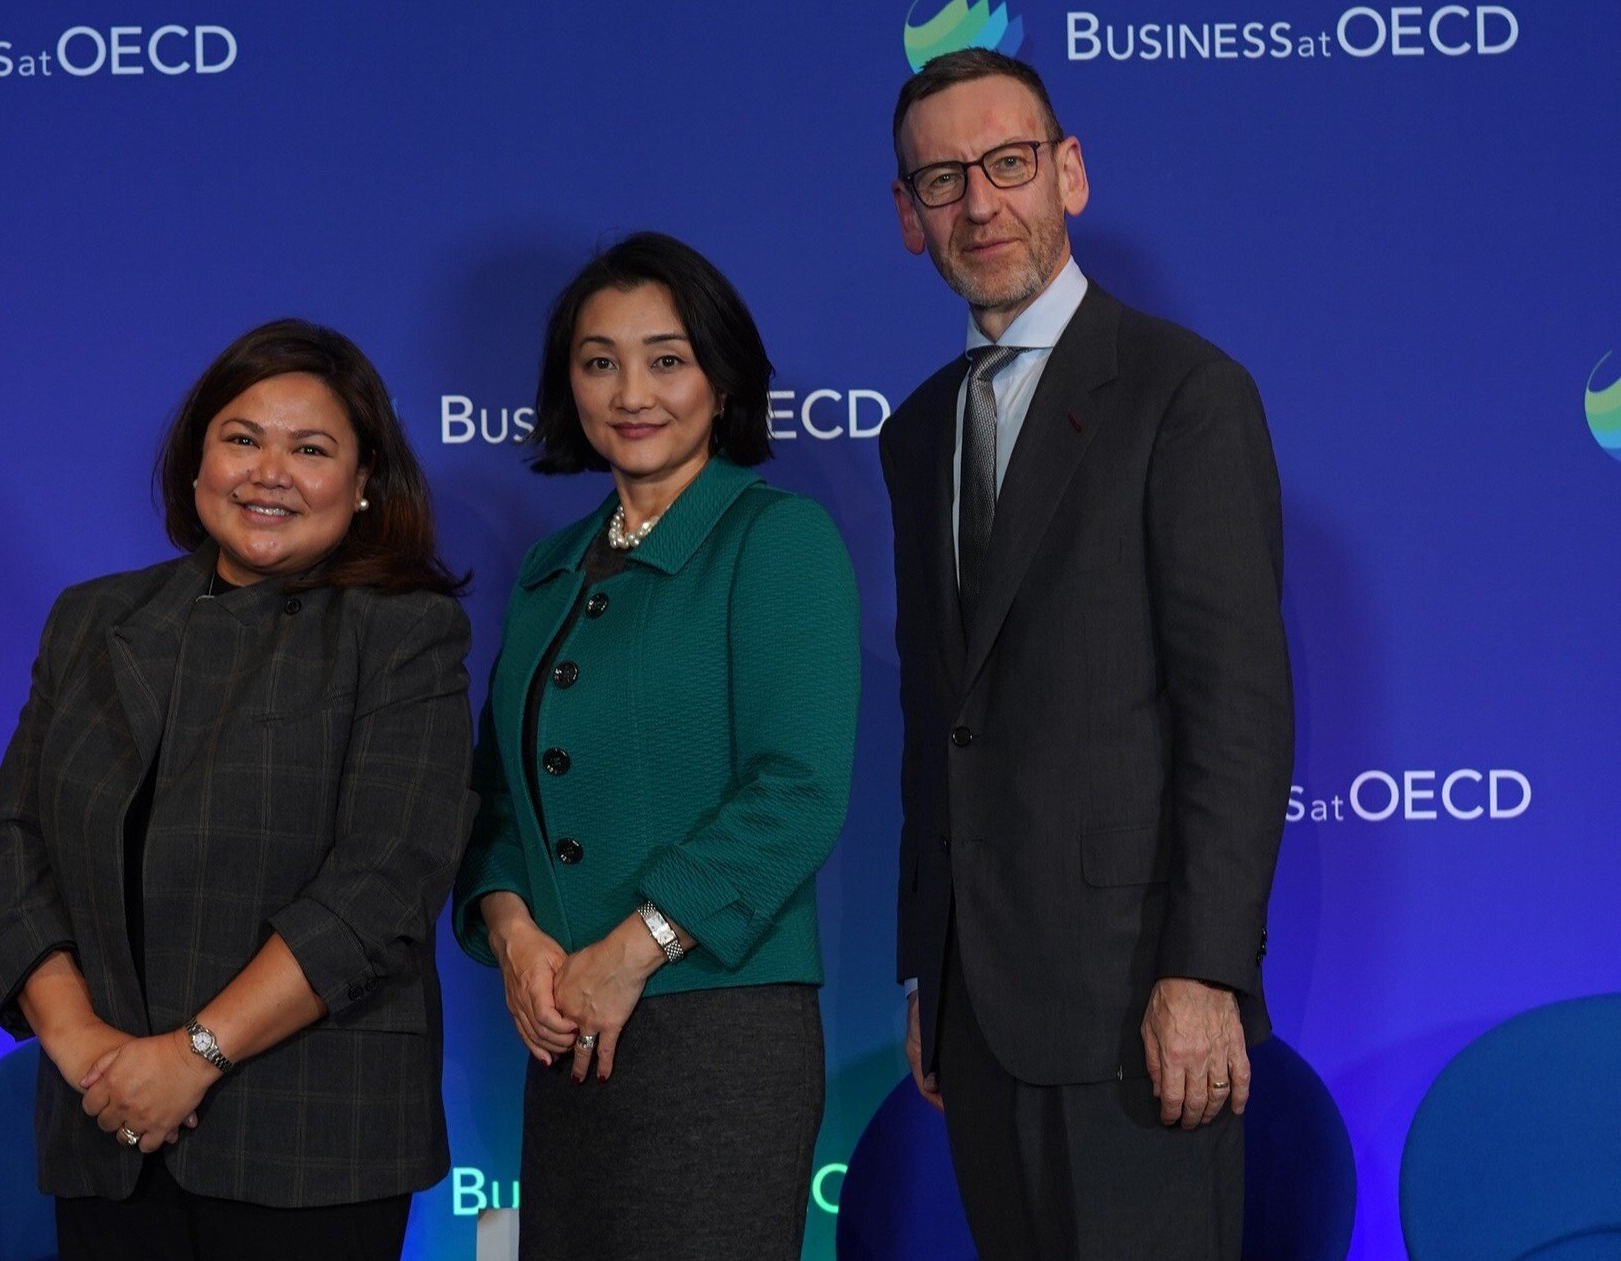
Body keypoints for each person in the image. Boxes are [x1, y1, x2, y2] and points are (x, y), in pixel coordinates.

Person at [880, 50, 1295, 1259]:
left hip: (1136, 1000)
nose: (980, 204)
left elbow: (1237, 709)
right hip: (977, 1012)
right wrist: (927, 970)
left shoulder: (1184, 393)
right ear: (907, 217)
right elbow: (936, 723)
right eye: (942, 179)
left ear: (1067, 171)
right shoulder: (914, 433)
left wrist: (1203, 971)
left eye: (1007, 164)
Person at [0, 319, 473, 1261]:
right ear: (195, 461)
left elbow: (384, 880)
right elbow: (14, 843)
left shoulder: (403, 633)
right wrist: (85, 1048)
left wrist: (192, 1054)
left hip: (310, 1147)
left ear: (365, 484)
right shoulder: (93, 619)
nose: (268, 471)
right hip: (108, 1128)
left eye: (311, 448)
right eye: (242, 438)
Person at [452, 231, 859, 1259]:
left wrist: (631, 953)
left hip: (716, 1035)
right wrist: (514, 939)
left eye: (665, 358)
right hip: (567, 1035)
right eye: (599, 362)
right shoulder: (550, 570)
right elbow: (497, 804)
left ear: (720, 381)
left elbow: (796, 792)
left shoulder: (777, 539)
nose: (630, 391)